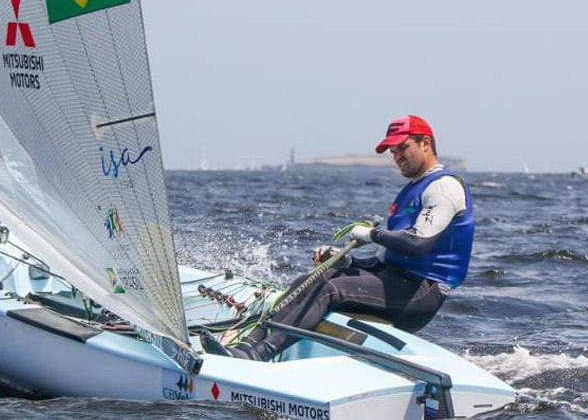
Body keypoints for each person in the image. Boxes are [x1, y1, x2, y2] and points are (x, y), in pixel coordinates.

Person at [201, 115, 474, 361]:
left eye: (403, 147)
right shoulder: (409, 192)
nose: (397, 156)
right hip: (395, 280)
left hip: (421, 293)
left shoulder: (444, 187)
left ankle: (257, 356)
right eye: (393, 151)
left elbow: (417, 244)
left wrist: (373, 234)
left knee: (332, 290)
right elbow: (381, 263)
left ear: (425, 143)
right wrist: (345, 260)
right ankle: (246, 345)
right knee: (316, 277)